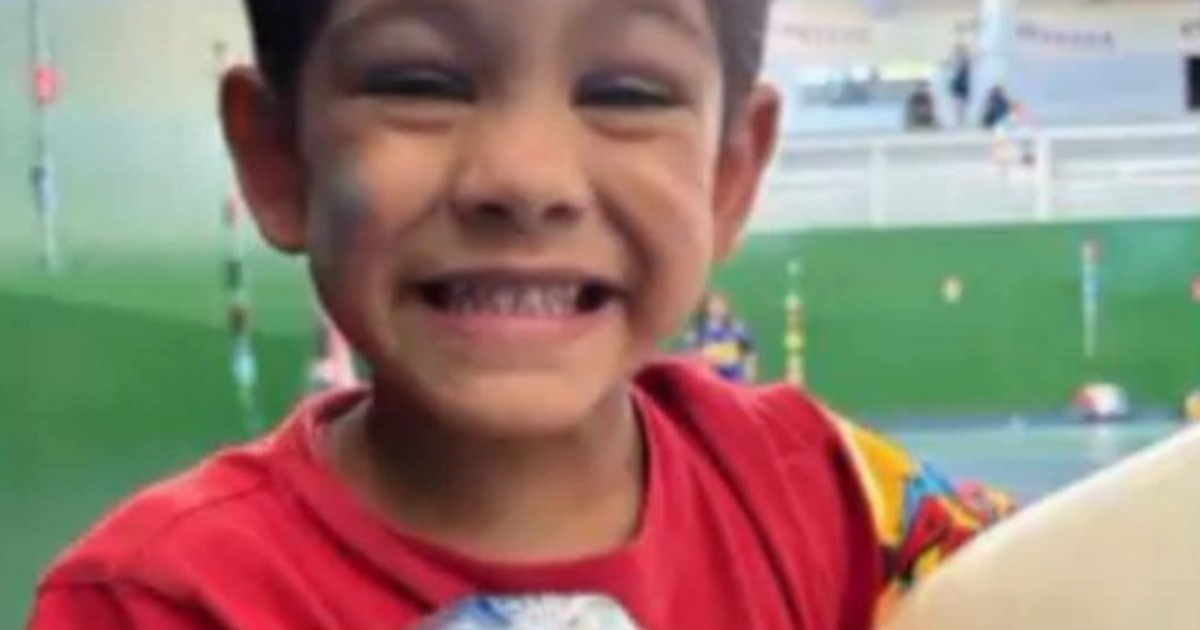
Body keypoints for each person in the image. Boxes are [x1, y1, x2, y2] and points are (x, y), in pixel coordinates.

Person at [27, 0, 1003, 627]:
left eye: (626, 92)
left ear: (728, 174)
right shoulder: (155, 604)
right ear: (279, 156)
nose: (526, 179)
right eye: (417, 83)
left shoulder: (838, 502)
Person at [683, 292, 758, 383]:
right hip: (710, 382)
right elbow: (692, 357)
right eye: (714, 305)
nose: (718, 308)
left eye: (721, 304)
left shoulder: (738, 327)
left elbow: (749, 353)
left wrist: (749, 381)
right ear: (705, 308)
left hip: (736, 382)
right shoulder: (697, 331)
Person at [948, 44, 972, 127]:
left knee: (961, 104)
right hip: (959, 86)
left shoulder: (965, 63)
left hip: (962, 86)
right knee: (959, 104)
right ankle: (959, 120)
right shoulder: (957, 62)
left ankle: (960, 120)